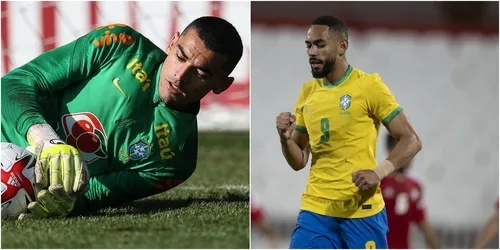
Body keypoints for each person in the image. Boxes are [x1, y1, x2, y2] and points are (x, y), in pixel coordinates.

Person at [1, 16, 243, 218]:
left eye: (200, 73)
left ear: (222, 85)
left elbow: (94, 195)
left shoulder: (179, 159)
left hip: (22, 192)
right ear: (172, 42)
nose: (181, 75)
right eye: (180, 56)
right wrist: (45, 140)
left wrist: (68, 202)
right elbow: (14, 84)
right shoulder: (120, 44)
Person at [275, 15, 422, 249]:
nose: (312, 51)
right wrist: (284, 139)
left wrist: (378, 172)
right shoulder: (308, 92)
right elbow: (299, 160)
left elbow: (411, 140)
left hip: (362, 212)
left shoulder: (369, 86)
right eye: (308, 45)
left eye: (319, 45)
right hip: (316, 211)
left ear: (342, 46)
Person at [380, 134, 440, 249]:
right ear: (390, 150)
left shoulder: (415, 186)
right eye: (406, 148)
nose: (411, 154)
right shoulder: (378, 183)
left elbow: (423, 223)